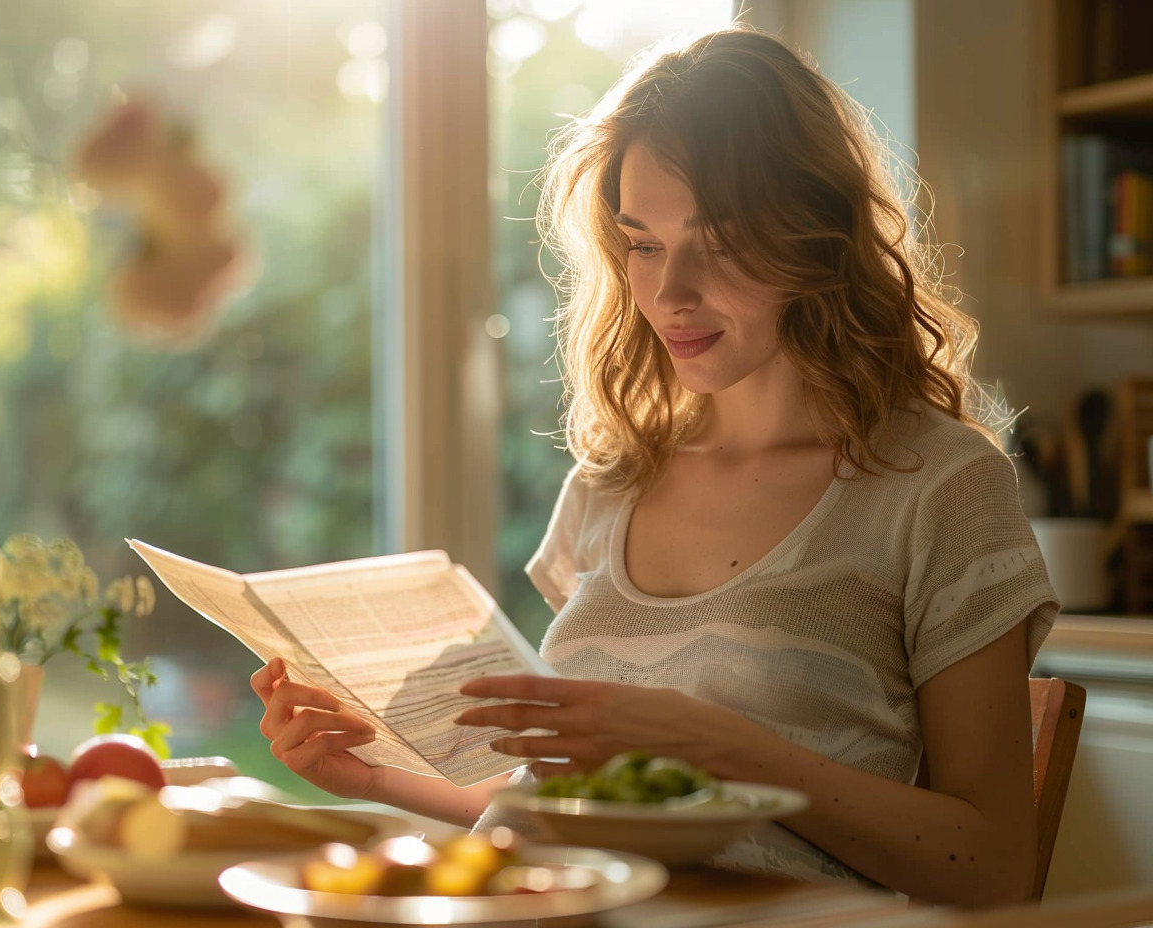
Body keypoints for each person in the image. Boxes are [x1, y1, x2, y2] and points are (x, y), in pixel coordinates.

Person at [251, 24, 1058, 908]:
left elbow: (993, 868)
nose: (670, 292)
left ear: (817, 234)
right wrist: (372, 777)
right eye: (643, 243)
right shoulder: (609, 485)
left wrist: (718, 746)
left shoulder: (938, 486)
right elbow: (577, 808)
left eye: (718, 240)